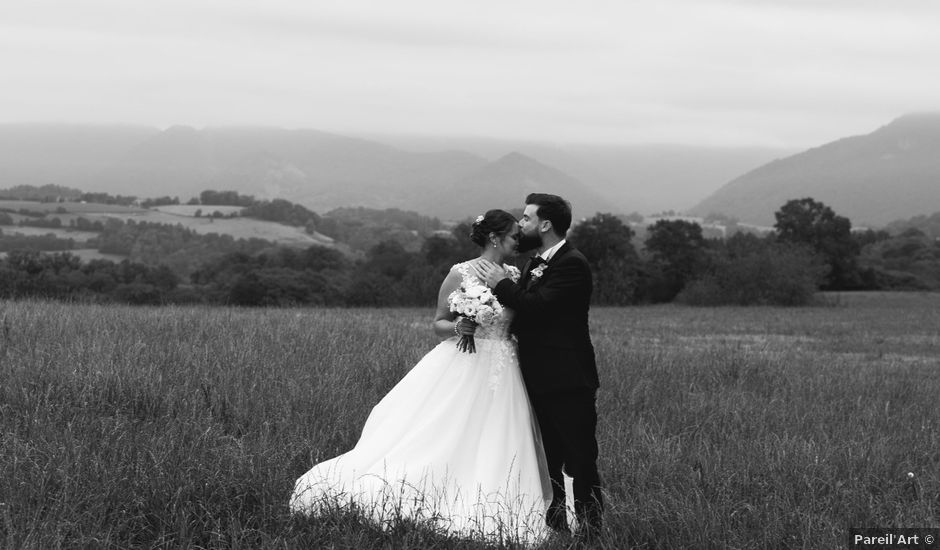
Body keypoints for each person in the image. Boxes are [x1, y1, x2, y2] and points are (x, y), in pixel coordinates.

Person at [290, 209, 552, 545]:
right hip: (466, 364)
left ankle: (498, 494)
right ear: (494, 237)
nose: (519, 241)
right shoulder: (461, 273)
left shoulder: (515, 276)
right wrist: (460, 325)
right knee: (447, 429)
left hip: (504, 366)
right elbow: (438, 322)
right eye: (515, 235)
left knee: (503, 432)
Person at [474, 193, 603, 540]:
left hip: (567, 378)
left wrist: (499, 284)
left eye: (527, 219)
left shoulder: (571, 263)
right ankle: (556, 524)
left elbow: (538, 306)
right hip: (537, 376)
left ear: (545, 225)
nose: (522, 224)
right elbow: (522, 316)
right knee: (548, 458)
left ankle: (589, 531)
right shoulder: (536, 262)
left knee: (578, 457)